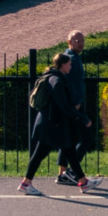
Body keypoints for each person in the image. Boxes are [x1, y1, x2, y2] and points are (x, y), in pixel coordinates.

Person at [18, 56, 77, 194]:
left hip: (49, 123)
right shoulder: (56, 79)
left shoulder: (53, 76)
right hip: (50, 124)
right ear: (62, 65)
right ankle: (26, 184)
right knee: (41, 154)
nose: (71, 67)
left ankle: (83, 181)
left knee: (67, 150)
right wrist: (78, 116)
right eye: (69, 64)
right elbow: (61, 103)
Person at [55, 30, 96, 188]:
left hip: (73, 105)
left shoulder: (72, 57)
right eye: (77, 40)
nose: (81, 42)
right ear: (69, 42)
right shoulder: (72, 59)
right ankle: (71, 172)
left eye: (82, 40)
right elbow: (71, 84)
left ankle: (62, 174)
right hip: (76, 106)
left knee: (69, 139)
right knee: (86, 137)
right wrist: (76, 102)